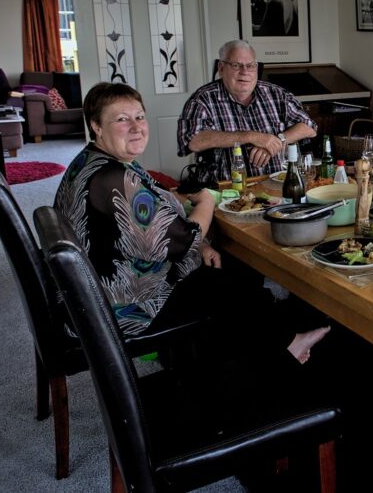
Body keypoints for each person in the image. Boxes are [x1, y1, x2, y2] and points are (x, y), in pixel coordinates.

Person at [55, 82, 329, 368]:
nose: (136, 127)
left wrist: (203, 242)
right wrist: (206, 202)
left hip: (98, 288)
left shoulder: (95, 161)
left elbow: (153, 207)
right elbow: (182, 242)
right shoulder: (111, 179)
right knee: (229, 280)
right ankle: (282, 345)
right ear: (97, 126)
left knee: (225, 269)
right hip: (121, 306)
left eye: (139, 117)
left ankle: (252, 343)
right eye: (122, 119)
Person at [177, 40, 317, 182]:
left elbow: (309, 127)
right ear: (221, 68)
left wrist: (276, 141)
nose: (245, 72)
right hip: (225, 189)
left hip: (278, 184)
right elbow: (193, 140)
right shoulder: (202, 99)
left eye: (250, 66)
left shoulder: (276, 94)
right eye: (236, 65)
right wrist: (250, 136)